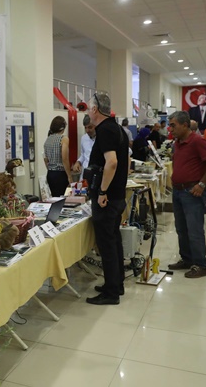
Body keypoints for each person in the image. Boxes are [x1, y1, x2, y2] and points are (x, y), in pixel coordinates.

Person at [85, 93, 129, 305]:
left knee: (107, 244)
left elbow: (111, 163)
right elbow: (124, 160)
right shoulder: (116, 128)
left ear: (95, 109)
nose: (87, 112)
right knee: (114, 240)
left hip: (108, 198)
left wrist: (102, 192)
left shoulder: (106, 130)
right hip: (116, 195)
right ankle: (116, 283)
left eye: (89, 108)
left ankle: (111, 292)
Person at [167, 111, 206, 278]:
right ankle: (187, 259)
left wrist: (202, 183)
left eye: (173, 125)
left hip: (192, 192)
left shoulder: (197, 141)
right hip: (178, 190)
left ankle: (201, 265)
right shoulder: (177, 142)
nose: (170, 129)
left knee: (194, 230)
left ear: (185, 125)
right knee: (181, 229)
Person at [43, 116, 73, 196]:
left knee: (55, 198)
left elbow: (45, 159)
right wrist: (69, 176)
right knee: (63, 198)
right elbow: (65, 158)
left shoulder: (48, 139)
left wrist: (51, 169)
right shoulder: (64, 139)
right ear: (62, 128)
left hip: (50, 173)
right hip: (61, 174)